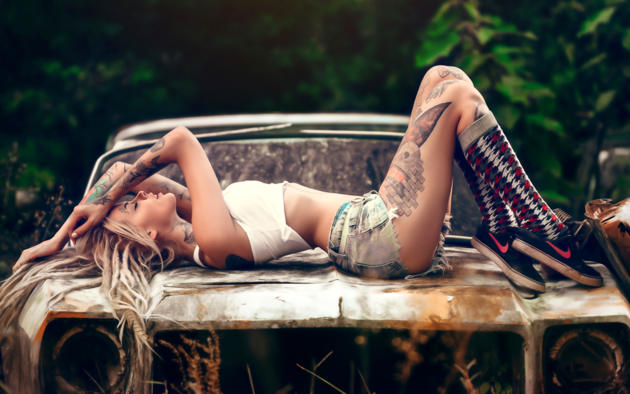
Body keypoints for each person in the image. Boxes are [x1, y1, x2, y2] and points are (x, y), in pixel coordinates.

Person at [13, 65, 603, 294]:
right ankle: (537, 229)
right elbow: (182, 142)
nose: (144, 192)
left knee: (446, 79)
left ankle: (513, 228)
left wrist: (69, 228)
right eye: (133, 208)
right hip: (375, 237)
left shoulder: (200, 217)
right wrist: (97, 215)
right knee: (448, 94)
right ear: (140, 240)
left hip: (380, 226)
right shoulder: (214, 246)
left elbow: (121, 174)